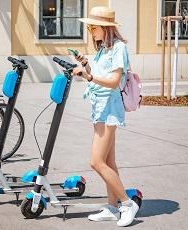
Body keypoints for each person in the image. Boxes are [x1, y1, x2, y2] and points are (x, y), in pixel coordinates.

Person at [71, 6, 139, 227]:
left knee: (96, 161)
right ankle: (111, 207)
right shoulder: (103, 49)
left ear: (105, 27)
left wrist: (89, 76)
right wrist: (85, 63)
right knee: (109, 161)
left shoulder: (119, 49)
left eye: (93, 27)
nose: (91, 31)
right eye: (89, 27)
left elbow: (112, 82)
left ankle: (127, 204)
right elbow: (100, 73)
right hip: (99, 107)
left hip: (110, 108)